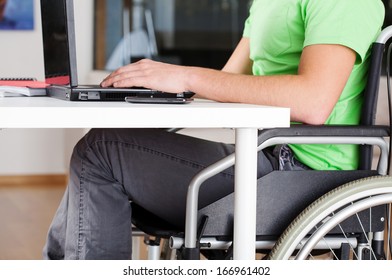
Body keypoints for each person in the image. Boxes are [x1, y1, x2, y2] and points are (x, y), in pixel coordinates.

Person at [43, 0, 385, 259]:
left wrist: (186, 75)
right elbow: (229, 81)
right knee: (106, 146)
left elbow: (313, 102)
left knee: (100, 151)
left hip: (301, 175)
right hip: (261, 155)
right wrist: (156, 88)